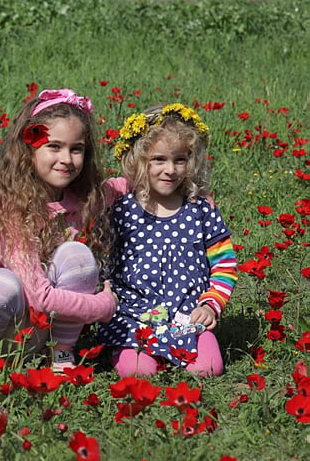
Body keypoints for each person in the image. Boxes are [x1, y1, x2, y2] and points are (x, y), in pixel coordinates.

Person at [0, 88, 127, 371]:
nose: (66, 159)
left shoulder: (84, 199)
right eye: (54, 146)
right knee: (2, 283)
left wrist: (190, 196)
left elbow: (128, 184)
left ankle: (61, 357)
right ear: (30, 148)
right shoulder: (12, 211)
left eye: (76, 149)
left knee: (76, 255)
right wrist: (104, 306)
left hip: (37, 335)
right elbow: (41, 298)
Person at [97, 103, 238, 377]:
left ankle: (178, 348)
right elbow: (103, 260)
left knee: (209, 368)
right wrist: (104, 295)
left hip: (188, 315)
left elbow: (225, 265)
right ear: (139, 160)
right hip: (134, 315)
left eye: (180, 160)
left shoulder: (200, 209)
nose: (170, 169)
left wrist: (210, 305)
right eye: (158, 159)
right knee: (138, 372)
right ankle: (128, 350)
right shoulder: (122, 209)